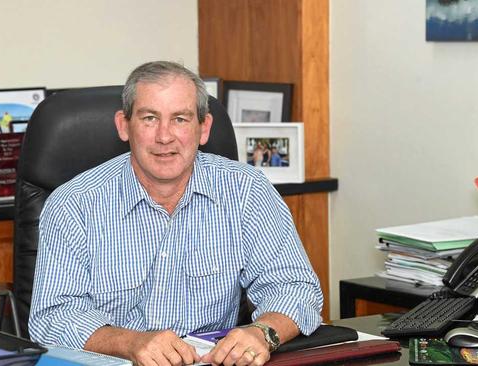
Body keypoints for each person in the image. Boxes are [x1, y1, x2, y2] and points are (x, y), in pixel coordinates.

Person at [29, 61, 323, 366]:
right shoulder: (74, 204)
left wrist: (262, 333)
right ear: (123, 125)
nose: (164, 136)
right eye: (149, 118)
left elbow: (295, 288)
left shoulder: (247, 192)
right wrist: (131, 343)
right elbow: (52, 318)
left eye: (180, 119)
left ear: (204, 128)